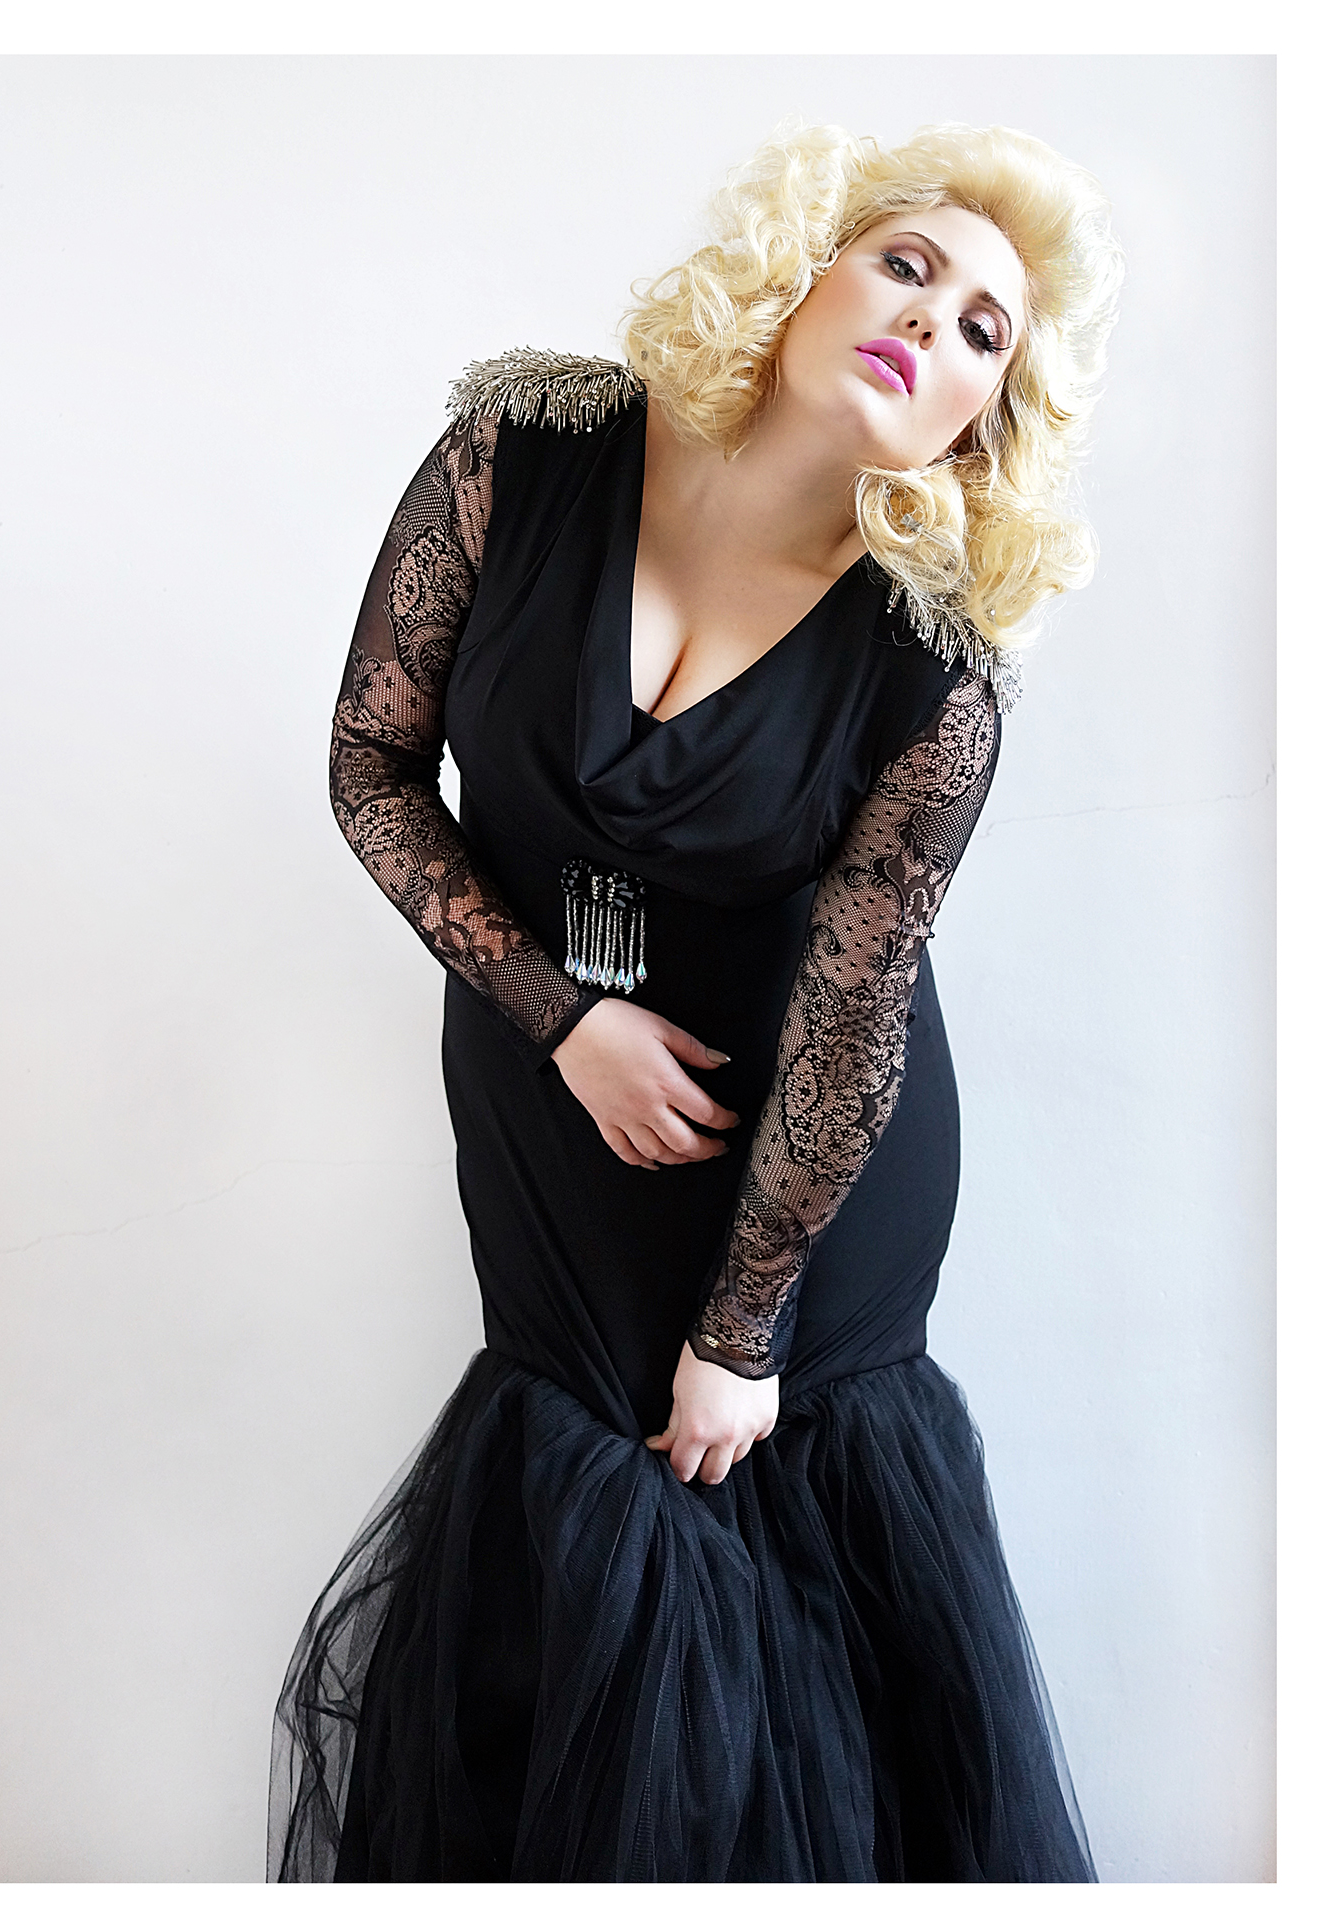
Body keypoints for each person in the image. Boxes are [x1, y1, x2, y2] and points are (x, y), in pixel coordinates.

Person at [269, 119, 1122, 1884]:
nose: (935, 322)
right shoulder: (524, 447)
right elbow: (370, 766)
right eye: (908, 264)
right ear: (804, 265)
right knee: (560, 1602)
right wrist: (559, 1017)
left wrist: (744, 1336)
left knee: (774, 1641)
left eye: (987, 330)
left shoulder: (936, 673)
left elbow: (857, 1018)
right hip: (555, 1110)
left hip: (801, 1176)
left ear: (983, 423)